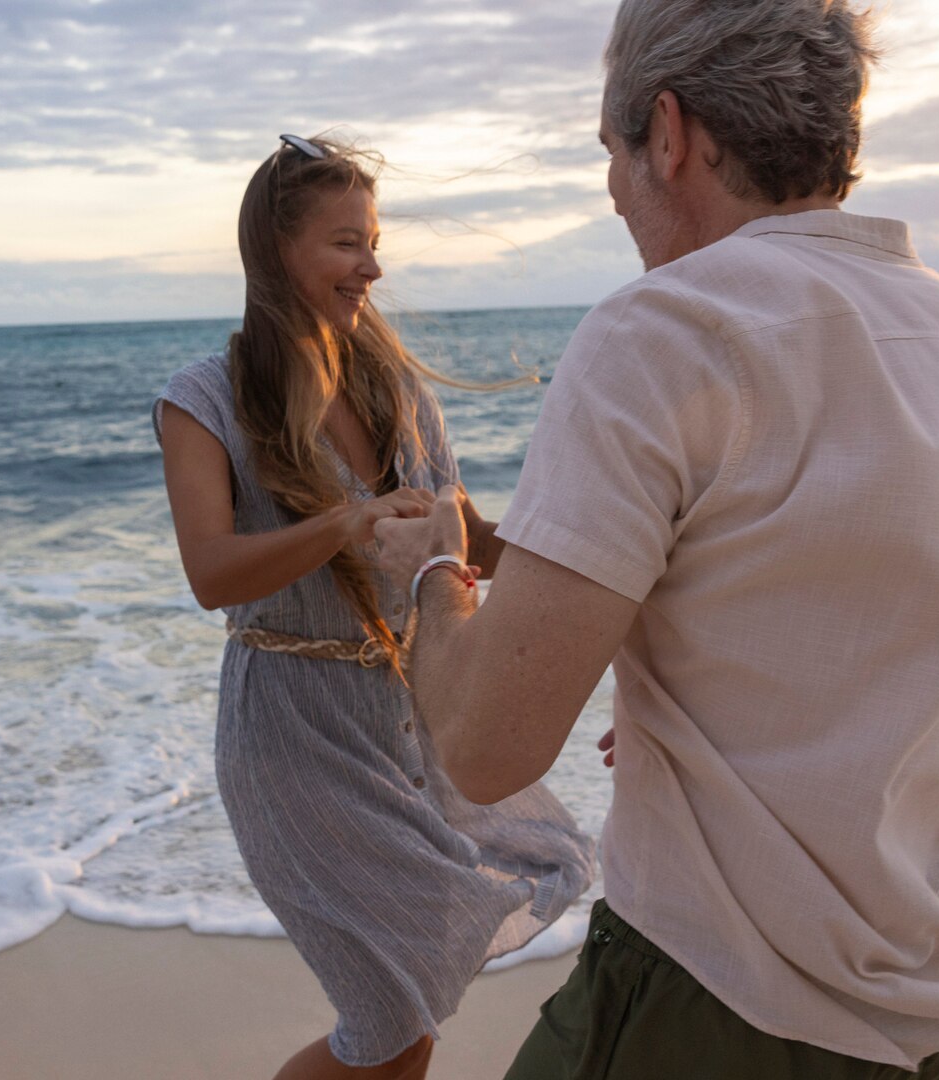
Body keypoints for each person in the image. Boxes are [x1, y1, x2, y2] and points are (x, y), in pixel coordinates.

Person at [373, 1, 939, 1077]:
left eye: (614, 151)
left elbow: (487, 747)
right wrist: (704, 702)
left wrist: (435, 570)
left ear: (670, 133)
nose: (615, 191)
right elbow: (938, 666)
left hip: (713, 996)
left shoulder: (664, 331)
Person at [153, 133, 594, 1080]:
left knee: (409, 1014)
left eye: (374, 241)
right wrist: (344, 522)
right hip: (293, 739)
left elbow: (463, 540)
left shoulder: (393, 390)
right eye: (347, 242)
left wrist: (602, 564)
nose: (372, 267)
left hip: (405, 725)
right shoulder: (203, 400)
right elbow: (211, 573)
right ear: (279, 250)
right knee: (389, 1018)